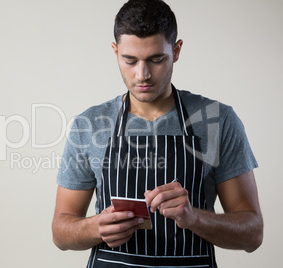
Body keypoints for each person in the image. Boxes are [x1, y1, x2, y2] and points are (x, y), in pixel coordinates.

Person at [52, 0, 263, 267]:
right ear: (115, 52)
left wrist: (194, 218)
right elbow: (60, 231)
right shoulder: (90, 124)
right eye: (130, 60)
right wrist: (96, 228)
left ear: (176, 51)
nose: (143, 75)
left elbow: (252, 234)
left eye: (156, 59)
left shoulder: (218, 120)